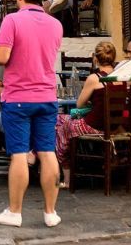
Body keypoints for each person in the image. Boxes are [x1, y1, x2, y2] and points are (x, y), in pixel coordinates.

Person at [0, 0, 63, 228]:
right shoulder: (55, 24)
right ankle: (50, 212)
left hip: (18, 97)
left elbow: (4, 56)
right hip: (47, 96)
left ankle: (15, 212)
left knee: (19, 154)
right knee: (47, 152)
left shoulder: (12, 20)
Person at [54, 41, 120, 187]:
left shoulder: (94, 78)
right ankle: (82, 163)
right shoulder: (121, 77)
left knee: (60, 123)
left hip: (95, 125)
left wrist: (91, 102)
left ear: (95, 59)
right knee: (63, 121)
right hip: (114, 126)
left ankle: (67, 176)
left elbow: (79, 104)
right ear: (114, 57)